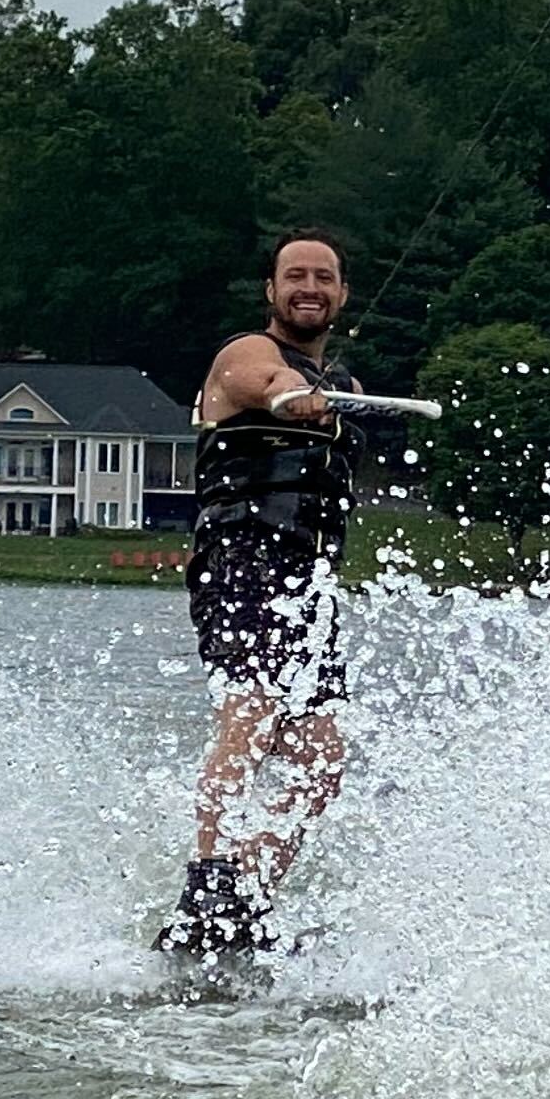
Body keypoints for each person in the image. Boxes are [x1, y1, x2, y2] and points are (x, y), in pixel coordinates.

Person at [160, 233, 359, 955]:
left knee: (320, 759)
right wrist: (293, 398)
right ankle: (207, 879)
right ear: (271, 291)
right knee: (253, 706)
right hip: (241, 562)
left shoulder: (341, 384)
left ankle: (250, 893)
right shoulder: (245, 356)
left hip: (310, 586)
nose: (310, 286)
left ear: (341, 294)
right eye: (295, 276)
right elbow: (264, 385)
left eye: (324, 277)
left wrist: (333, 401)